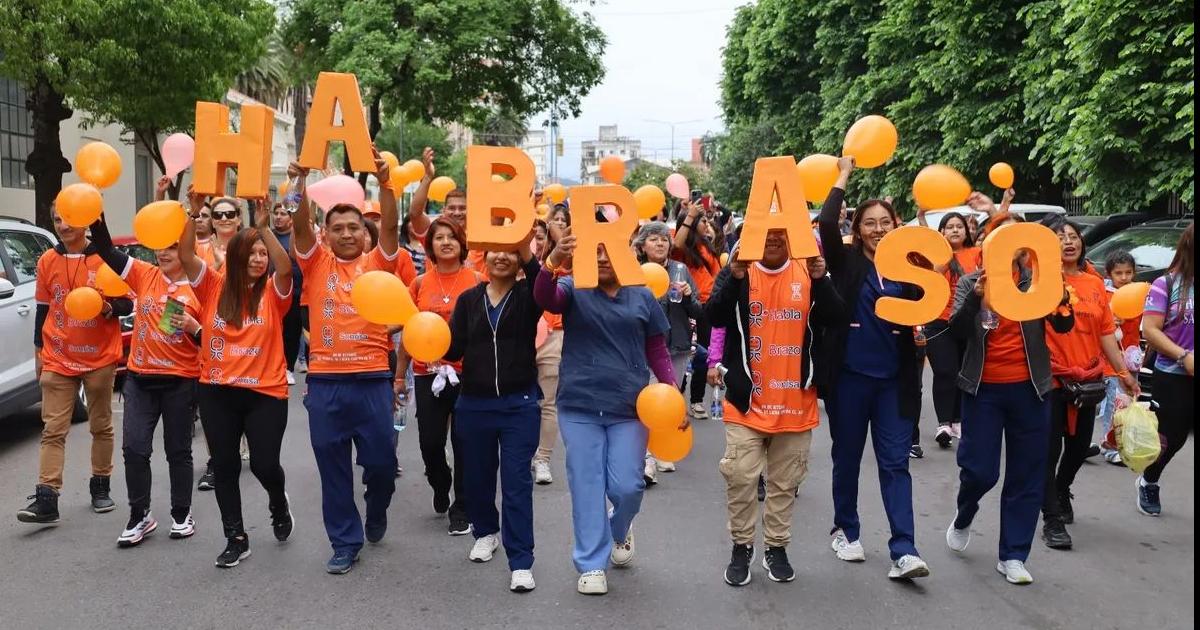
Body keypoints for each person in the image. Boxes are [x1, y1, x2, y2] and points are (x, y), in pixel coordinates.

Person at [534, 229, 676, 596]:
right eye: (594, 251)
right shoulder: (572, 288)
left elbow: (657, 348)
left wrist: (671, 389)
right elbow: (544, 298)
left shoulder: (642, 295)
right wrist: (553, 261)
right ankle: (591, 564)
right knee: (587, 485)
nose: (601, 258)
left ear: (626, 253)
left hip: (630, 406)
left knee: (627, 485)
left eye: (608, 250)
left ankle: (620, 528)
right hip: (579, 405)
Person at [706, 229, 842, 586]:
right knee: (741, 477)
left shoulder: (809, 269)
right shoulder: (740, 267)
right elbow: (713, 317)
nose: (775, 238)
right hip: (746, 400)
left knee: (785, 483)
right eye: (766, 232)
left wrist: (822, 279)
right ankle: (741, 546)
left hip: (795, 401)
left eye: (782, 231)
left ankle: (776, 547)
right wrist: (733, 277)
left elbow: (836, 317)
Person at [816, 157, 929, 580]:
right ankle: (846, 530)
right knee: (846, 458)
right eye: (870, 223)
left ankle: (905, 549)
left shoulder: (908, 268)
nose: (878, 229)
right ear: (858, 229)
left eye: (885, 222)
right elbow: (826, 224)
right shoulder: (846, 262)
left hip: (894, 384)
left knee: (895, 463)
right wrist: (843, 175)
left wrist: (923, 333)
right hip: (849, 380)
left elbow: (928, 310)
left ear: (895, 225)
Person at [945, 218, 1075, 585]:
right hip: (983, 389)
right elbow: (955, 331)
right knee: (980, 471)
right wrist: (975, 298)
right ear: (988, 243)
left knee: (1027, 474)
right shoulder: (972, 282)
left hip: (1031, 390)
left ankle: (1014, 554)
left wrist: (1063, 302)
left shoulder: (1038, 282)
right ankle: (964, 512)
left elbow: (1063, 327)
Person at [289, 154, 402, 574]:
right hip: (325, 383)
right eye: (337, 227)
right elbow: (299, 228)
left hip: (372, 379)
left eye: (354, 226)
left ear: (365, 233)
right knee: (332, 467)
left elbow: (390, 225)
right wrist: (298, 185)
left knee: (383, 465)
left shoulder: (378, 261)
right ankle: (344, 541)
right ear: (326, 234)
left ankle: (377, 502)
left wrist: (386, 182)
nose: (347, 233)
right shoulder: (316, 262)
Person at [179, 193, 295, 569]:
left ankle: (278, 501)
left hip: (265, 393)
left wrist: (262, 227)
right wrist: (194, 211)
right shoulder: (213, 286)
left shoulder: (275, 294)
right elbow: (184, 256)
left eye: (263, 253)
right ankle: (236, 537)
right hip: (216, 391)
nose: (260, 259)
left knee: (263, 465)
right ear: (237, 257)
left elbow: (286, 267)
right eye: (253, 253)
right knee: (225, 466)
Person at [90, 206, 202, 547]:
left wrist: (195, 330)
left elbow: (213, 340)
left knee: (177, 451)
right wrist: (97, 215)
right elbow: (107, 251)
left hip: (181, 381)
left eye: (171, 246)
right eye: (160, 247)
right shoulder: (144, 273)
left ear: (184, 248)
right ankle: (140, 515)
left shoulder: (202, 286)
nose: (164, 253)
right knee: (134, 449)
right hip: (140, 380)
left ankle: (182, 514)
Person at [17, 208, 133, 524]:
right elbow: (43, 308)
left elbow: (128, 303)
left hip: (98, 358)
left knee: (100, 426)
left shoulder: (107, 258)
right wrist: (39, 351)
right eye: (57, 220)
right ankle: (46, 497)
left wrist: (108, 307)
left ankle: (100, 486)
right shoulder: (46, 261)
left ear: (84, 221)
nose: (64, 225)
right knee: (53, 429)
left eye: (69, 219)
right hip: (57, 354)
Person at [445, 239, 543, 592]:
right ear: (483, 257)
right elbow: (453, 347)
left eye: (511, 251)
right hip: (473, 402)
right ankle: (486, 532)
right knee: (476, 477)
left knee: (516, 483)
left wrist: (527, 247)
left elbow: (542, 279)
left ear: (519, 259)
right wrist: (424, 334)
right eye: (495, 251)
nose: (502, 256)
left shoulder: (529, 295)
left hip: (520, 403)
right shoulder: (469, 300)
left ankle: (521, 561)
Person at [1040, 220, 1137, 551]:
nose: (1068, 242)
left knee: (1080, 448)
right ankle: (1051, 520)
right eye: (1060, 237)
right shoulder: (1038, 281)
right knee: (1048, 450)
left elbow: (1106, 332)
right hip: (1050, 377)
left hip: (1089, 377)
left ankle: (1061, 487)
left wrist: (1123, 374)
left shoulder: (1095, 283)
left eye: (1073, 236)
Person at [398, 216, 482, 535]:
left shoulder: (476, 279)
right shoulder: (419, 283)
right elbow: (409, 331)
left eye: (451, 237)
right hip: (426, 373)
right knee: (430, 442)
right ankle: (440, 481)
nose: (445, 242)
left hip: (468, 376)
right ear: (429, 245)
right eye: (438, 237)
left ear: (461, 244)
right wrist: (398, 377)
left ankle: (461, 507)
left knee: (464, 443)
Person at [634, 221, 700, 483]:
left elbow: (699, 311)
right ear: (641, 246)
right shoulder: (634, 272)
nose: (660, 243)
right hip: (644, 347)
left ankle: (663, 449)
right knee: (650, 398)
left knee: (671, 399)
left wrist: (686, 296)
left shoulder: (680, 270)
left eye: (664, 239)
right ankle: (647, 459)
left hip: (678, 345)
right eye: (653, 239)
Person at [1136, 222, 1193, 516]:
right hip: (1173, 374)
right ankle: (1149, 480)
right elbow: (1151, 329)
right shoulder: (1167, 284)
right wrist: (1183, 356)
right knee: (1172, 436)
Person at [916, 210, 982, 449]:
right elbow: (927, 279)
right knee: (945, 371)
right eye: (949, 227)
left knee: (963, 373)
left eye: (959, 226)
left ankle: (958, 421)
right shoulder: (936, 255)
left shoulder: (977, 253)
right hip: (938, 322)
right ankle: (944, 423)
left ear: (967, 231)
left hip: (967, 321)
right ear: (941, 232)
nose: (955, 230)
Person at [673, 202, 722, 419]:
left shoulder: (707, 245)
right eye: (702, 221)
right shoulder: (684, 249)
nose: (706, 223)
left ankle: (696, 400)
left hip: (710, 307)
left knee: (705, 356)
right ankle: (676, 398)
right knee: (686, 356)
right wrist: (690, 215)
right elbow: (676, 242)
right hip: (692, 306)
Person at [1096, 250, 1140, 465]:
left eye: (1128, 272)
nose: (1124, 277)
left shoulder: (1139, 294)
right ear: (1109, 274)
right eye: (1119, 273)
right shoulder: (1105, 294)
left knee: (1129, 402)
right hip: (1110, 360)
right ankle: (1109, 443)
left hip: (1131, 356)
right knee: (1113, 402)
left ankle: (1121, 442)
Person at [531, 220, 563, 486]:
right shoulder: (512, 259)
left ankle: (543, 458)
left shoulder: (563, 261)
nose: (536, 241)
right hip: (520, 335)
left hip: (554, 335)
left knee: (549, 402)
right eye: (533, 237)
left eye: (540, 236)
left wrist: (556, 233)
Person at [270, 202, 303, 386]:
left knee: (291, 332)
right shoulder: (266, 236)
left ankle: (288, 368)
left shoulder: (295, 238)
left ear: (291, 220)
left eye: (283, 213)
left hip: (294, 293)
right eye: (276, 213)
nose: (279, 217)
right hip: (269, 293)